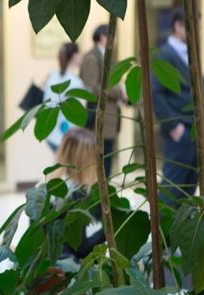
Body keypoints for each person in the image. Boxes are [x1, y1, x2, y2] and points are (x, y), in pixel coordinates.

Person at [152, 7, 196, 205]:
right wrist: (173, 126)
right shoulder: (165, 54)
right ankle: (160, 224)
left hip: (192, 128)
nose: (196, 31)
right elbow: (156, 93)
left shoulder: (190, 53)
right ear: (178, 26)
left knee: (189, 186)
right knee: (172, 187)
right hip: (179, 129)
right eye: (192, 26)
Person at [48, 128, 105, 260]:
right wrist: (108, 231)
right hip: (64, 267)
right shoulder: (74, 195)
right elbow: (78, 250)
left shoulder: (51, 186)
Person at [80, 25, 126, 177]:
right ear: (102, 37)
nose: (117, 41)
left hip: (109, 120)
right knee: (98, 166)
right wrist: (118, 91)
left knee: (107, 164)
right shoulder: (92, 58)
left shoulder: (105, 57)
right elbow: (92, 87)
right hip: (99, 119)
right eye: (114, 36)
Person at [43, 42, 85, 152]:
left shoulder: (51, 75)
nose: (81, 57)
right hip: (67, 136)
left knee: (59, 162)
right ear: (75, 56)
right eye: (80, 54)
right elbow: (79, 114)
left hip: (50, 134)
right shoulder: (76, 82)